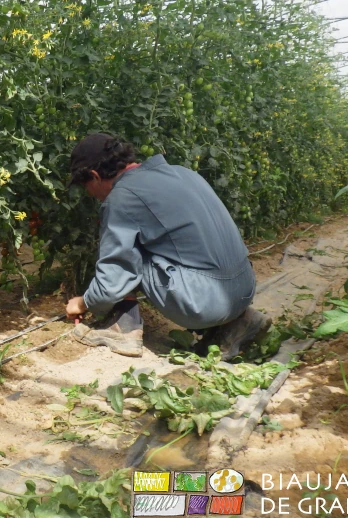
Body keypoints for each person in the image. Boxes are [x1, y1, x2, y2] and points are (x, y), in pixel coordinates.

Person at [64, 132, 270, 359]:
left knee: (127, 251)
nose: (91, 195)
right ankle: (239, 322)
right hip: (243, 290)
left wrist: (84, 302)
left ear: (94, 176)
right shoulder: (183, 173)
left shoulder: (122, 197)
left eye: (87, 187)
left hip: (203, 303)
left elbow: (115, 274)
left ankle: (122, 328)